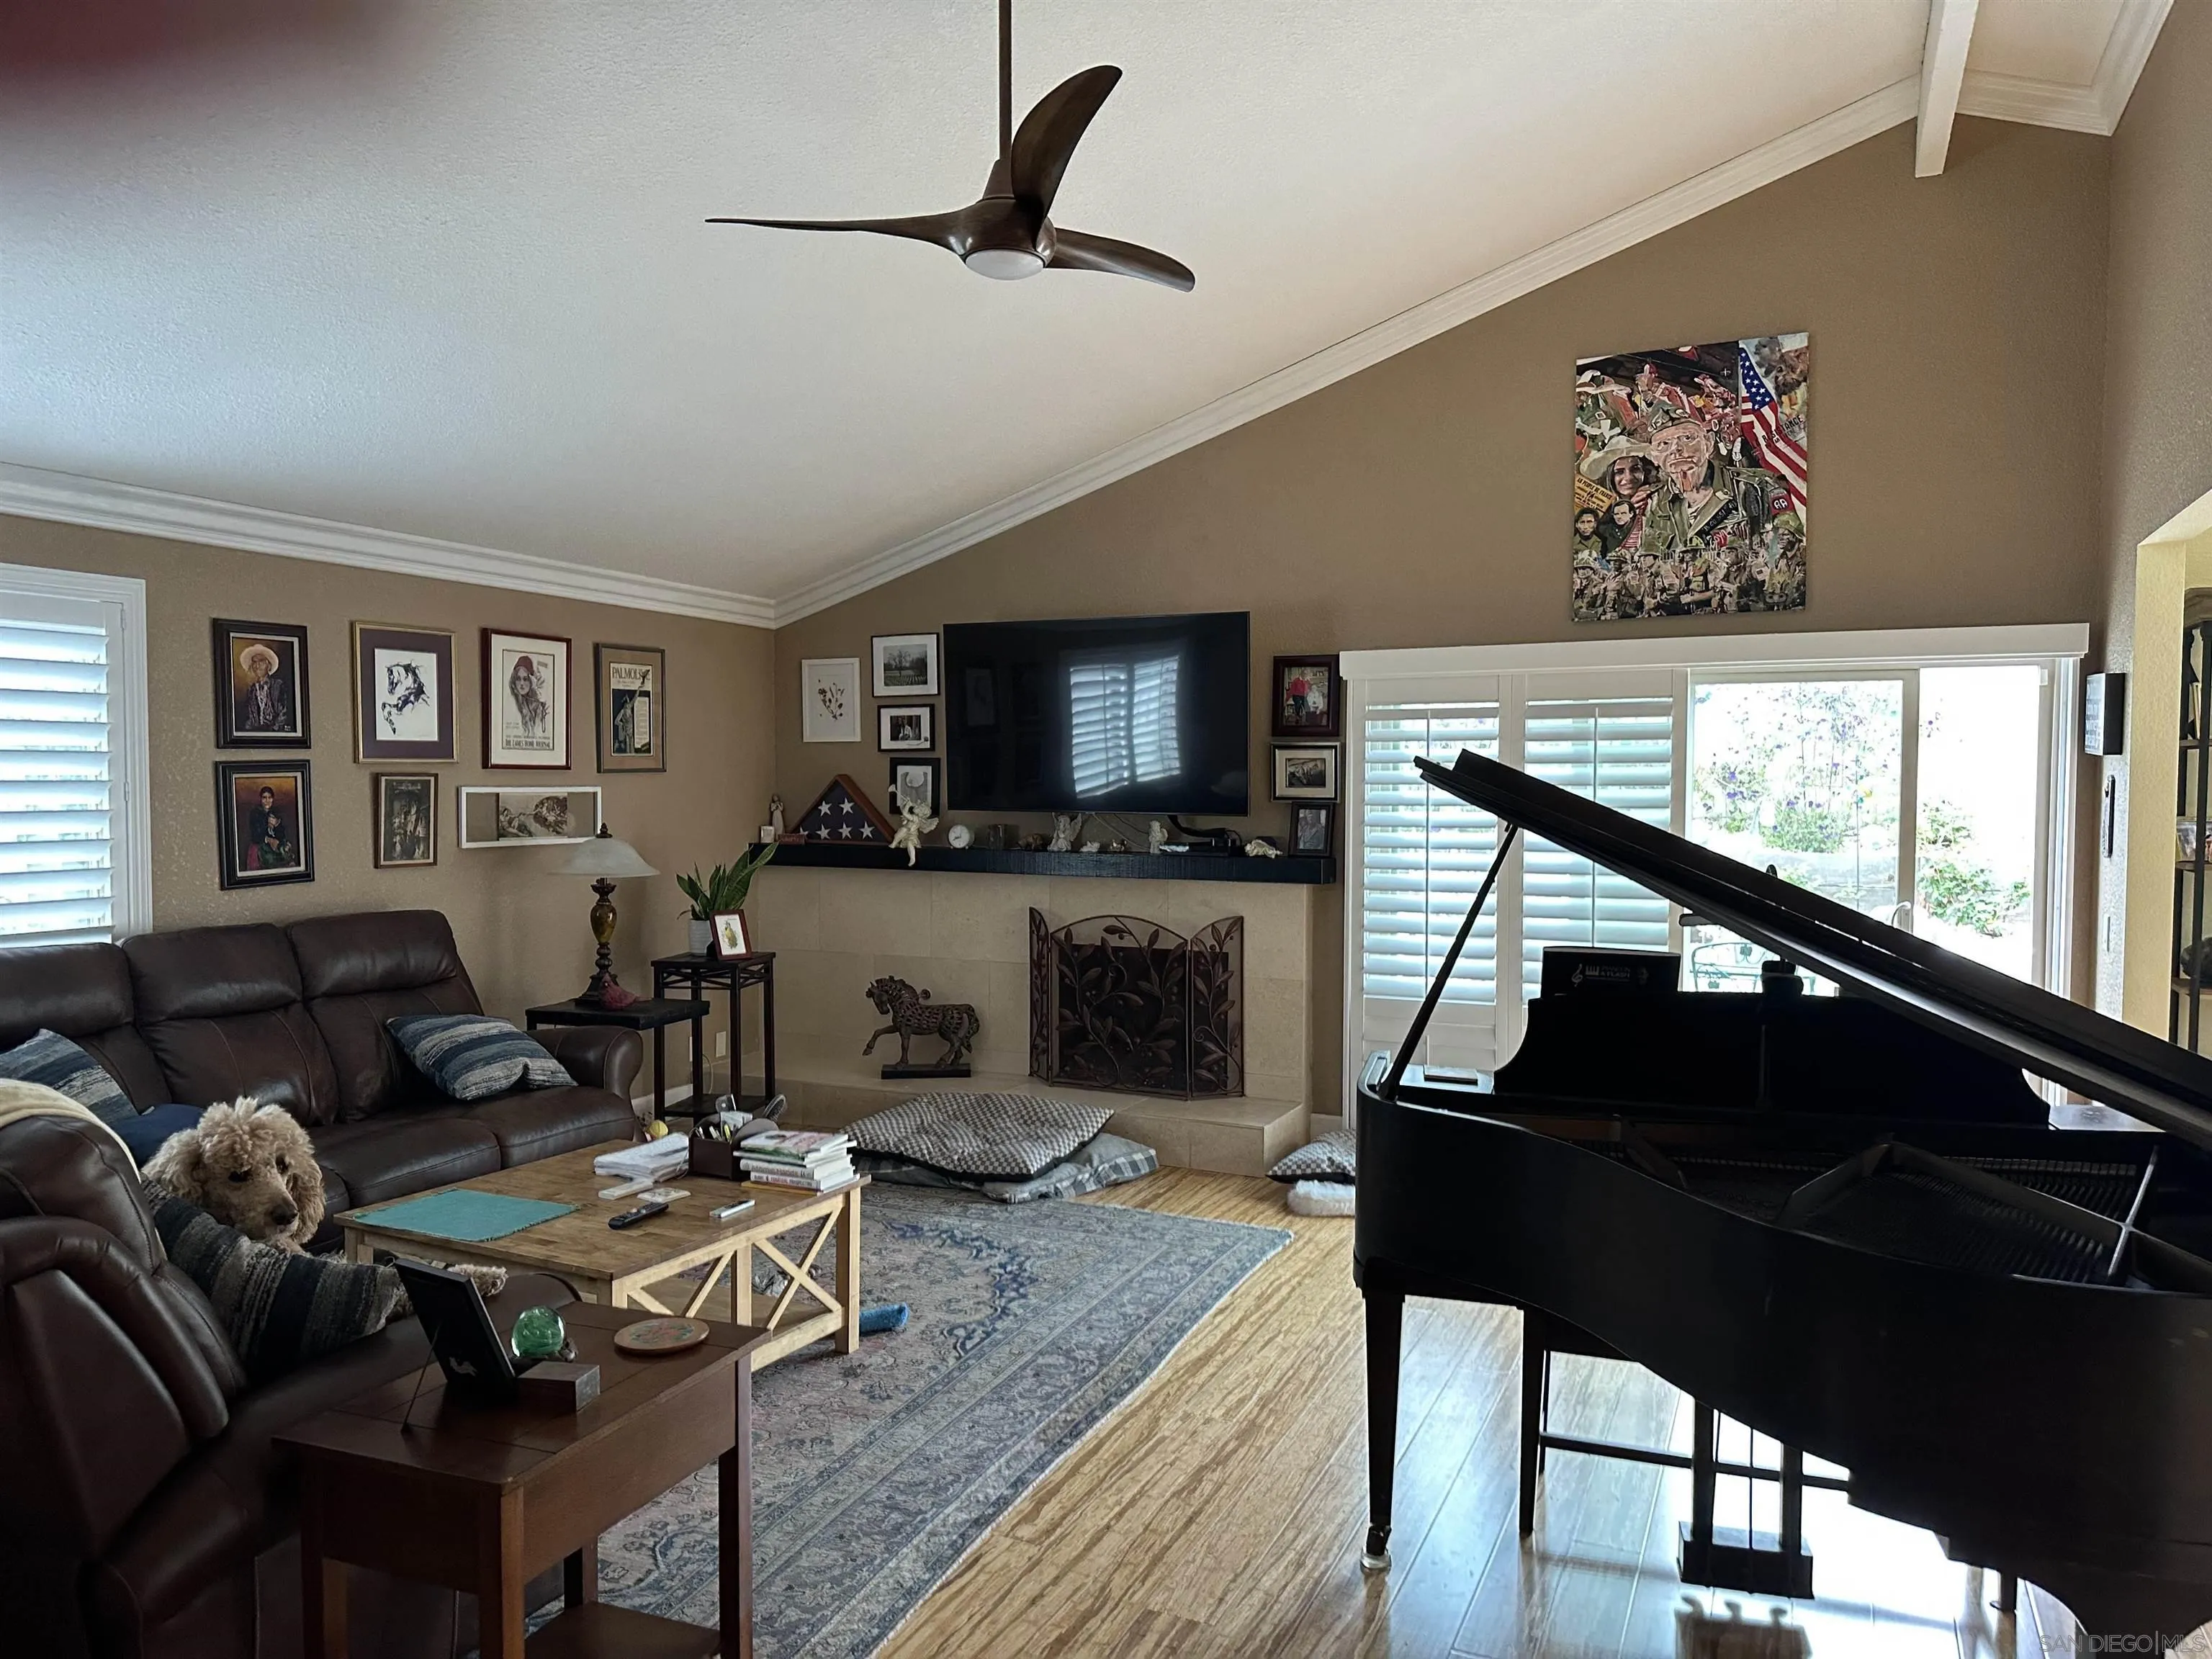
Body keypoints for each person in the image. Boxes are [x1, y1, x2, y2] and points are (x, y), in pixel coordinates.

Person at [234, 643, 289, 734]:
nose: (257, 666)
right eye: (254, 662)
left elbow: (284, 713)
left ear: (269, 665)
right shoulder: (251, 690)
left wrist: (274, 729)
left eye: (261, 662)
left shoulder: (278, 685)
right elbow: (250, 717)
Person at [245, 786, 294, 871]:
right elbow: (255, 835)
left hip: (276, 846)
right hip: (260, 846)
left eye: (270, 798)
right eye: (264, 798)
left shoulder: (276, 812)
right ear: (261, 799)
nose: (267, 801)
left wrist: (276, 825)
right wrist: (267, 829)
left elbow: (282, 834)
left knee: (287, 852)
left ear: (273, 799)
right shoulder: (255, 813)